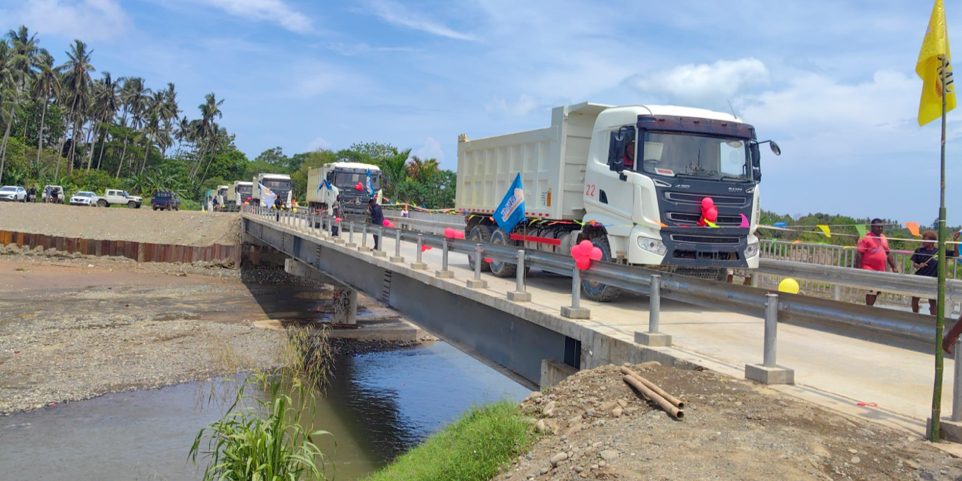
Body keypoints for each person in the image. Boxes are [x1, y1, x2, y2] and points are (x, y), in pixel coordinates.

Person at [911, 230, 960, 315]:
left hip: (933, 280)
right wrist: (919, 265)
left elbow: (956, 254)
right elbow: (914, 264)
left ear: (932, 241)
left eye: (925, 239)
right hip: (920, 279)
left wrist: (955, 241)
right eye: (923, 239)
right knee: (915, 299)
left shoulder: (939, 251)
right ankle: (915, 316)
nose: (923, 241)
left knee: (932, 302)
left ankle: (933, 320)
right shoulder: (919, 250)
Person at [854, 218, 899, 306]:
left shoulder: (883, 238)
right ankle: (869, 309)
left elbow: (888, 253)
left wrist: (894, 266)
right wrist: (858, 268)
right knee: (872, 289)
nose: (880, 229)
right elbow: (859, 253)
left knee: (877, 290)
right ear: (872, 227)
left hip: (880, 269)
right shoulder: (865, 237)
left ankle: (870, 307)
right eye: (878, 227)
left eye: (882, 227)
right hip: (868, 267)